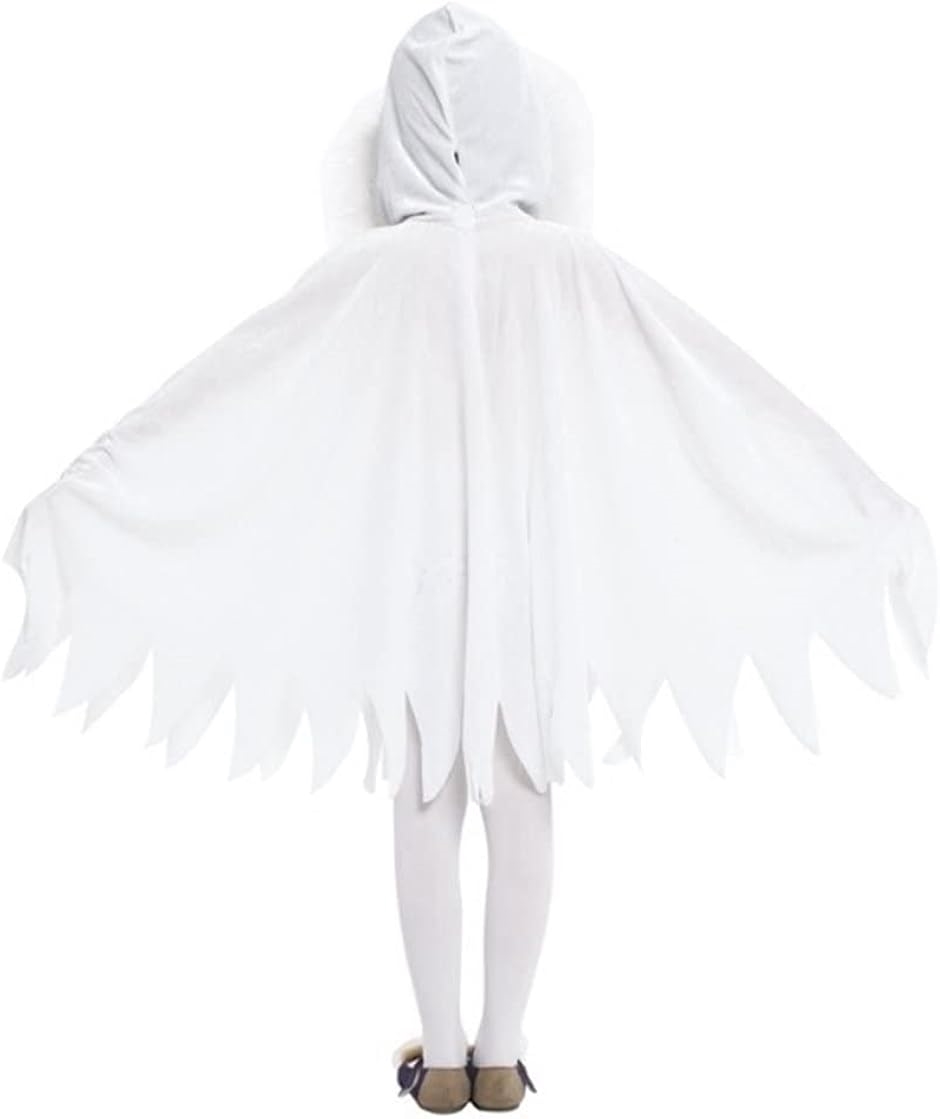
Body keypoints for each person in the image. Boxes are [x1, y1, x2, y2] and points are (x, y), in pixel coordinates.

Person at [3, 4, 934, 1114]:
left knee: (425, 793)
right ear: (520, 125)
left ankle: (440, 1054)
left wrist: (89, 493)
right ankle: (502, 1052)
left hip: (415, 576)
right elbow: (706, 375)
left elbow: (233, 377)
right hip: (527, 574)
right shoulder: (566, 263)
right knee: (523, 791)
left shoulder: (369, 271)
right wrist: (853, 499)